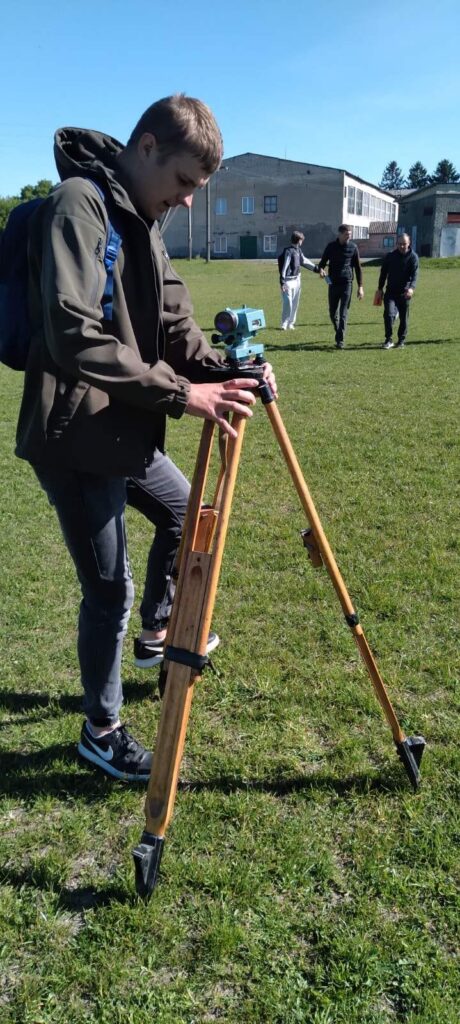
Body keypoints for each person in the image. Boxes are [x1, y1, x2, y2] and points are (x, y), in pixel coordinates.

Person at [15, 94, 277, 783]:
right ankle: (100, 731)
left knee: (187, 511)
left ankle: (157, 634)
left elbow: (176, 329)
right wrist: (184, 395)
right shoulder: (79, 205)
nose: (189, 200)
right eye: (185, 181)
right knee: (109, 592)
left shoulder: (146, 222)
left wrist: (229, 372)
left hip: (123, 426)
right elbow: (73, 334)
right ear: (148, 147)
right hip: (73, 430)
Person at [318, 224, 364, 348]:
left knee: (343, 312)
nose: (349, 236)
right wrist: (321, 270)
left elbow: (358, 268)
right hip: (333, 283)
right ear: (339, 234)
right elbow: (322, 263)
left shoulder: (353, 247)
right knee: (332, 313)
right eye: (346, 234)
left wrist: (360, 286)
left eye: (350, 234)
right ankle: (338, 329)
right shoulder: (331, 247)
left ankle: (340, 341)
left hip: (347, 283)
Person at [376, 234, 419, 349]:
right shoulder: (390, 256)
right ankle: (388, 339)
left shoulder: (413, 257)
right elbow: (383, 274)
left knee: (404, 318)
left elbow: (415, 275)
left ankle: (401, 340)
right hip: (390, 292)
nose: (402, 246)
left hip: (405, 293)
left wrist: (411, 288)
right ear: (396, 244)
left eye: (404, 244)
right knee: (388, 315)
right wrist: (380, 289)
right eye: (400, 244)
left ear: (409, 243)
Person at [279, 230, 317, 330]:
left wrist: (316, 269)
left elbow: (304, 261)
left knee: (295, 303)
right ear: (299, 240)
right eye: (302, 240)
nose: (302, 242)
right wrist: (282, 282)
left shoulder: (298, 250)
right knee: (288, 302)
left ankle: (291, 323)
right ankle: (284, 323)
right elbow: (284, 267)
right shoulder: (288, 251)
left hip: (297, 280)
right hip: (288, 281)